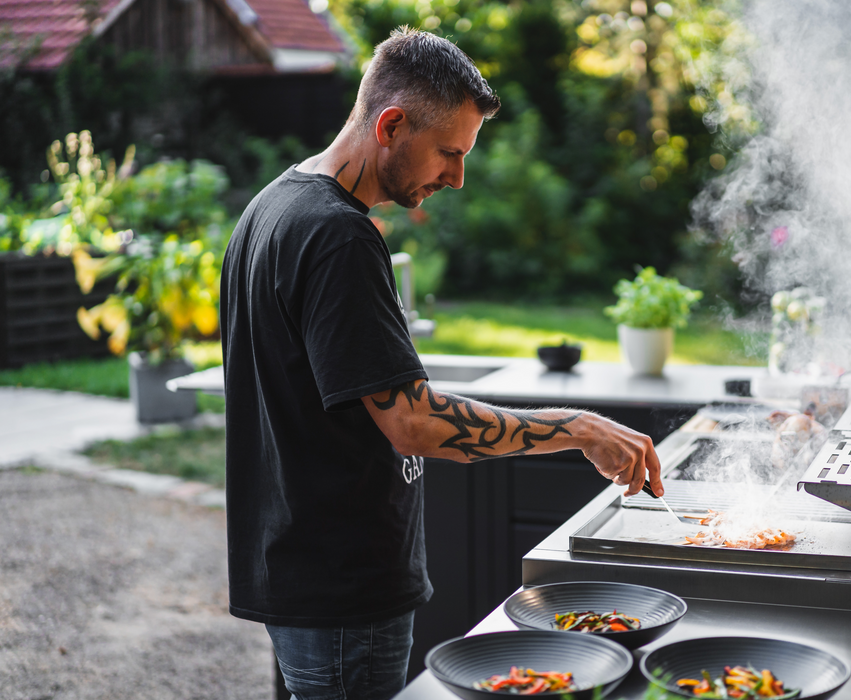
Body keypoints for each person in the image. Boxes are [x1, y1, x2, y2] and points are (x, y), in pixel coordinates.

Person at [219, 27, 664, 700]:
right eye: (448, 153)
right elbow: (414, 424)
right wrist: (577, 426)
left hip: (300, 574)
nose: (455, 178)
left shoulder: (270, 207)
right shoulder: (338, 236)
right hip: (345, 588)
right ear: (392, 124)